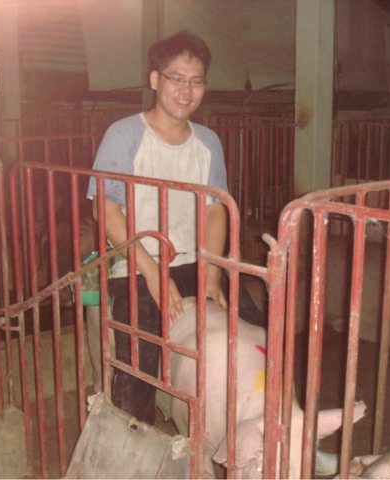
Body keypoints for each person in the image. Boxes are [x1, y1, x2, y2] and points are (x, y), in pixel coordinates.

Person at [86, 30, 262, 424]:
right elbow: (106, 211)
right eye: (176, 78)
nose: (186, 90)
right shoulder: (124, 135)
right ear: (155, 80)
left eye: (196, 81)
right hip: (136, 264)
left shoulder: (208, 142)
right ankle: (132, 431)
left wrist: (212, 271)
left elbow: (215, 209)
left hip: (194, 261)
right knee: (139, 367)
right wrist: (153, 275)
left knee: (258, 331)